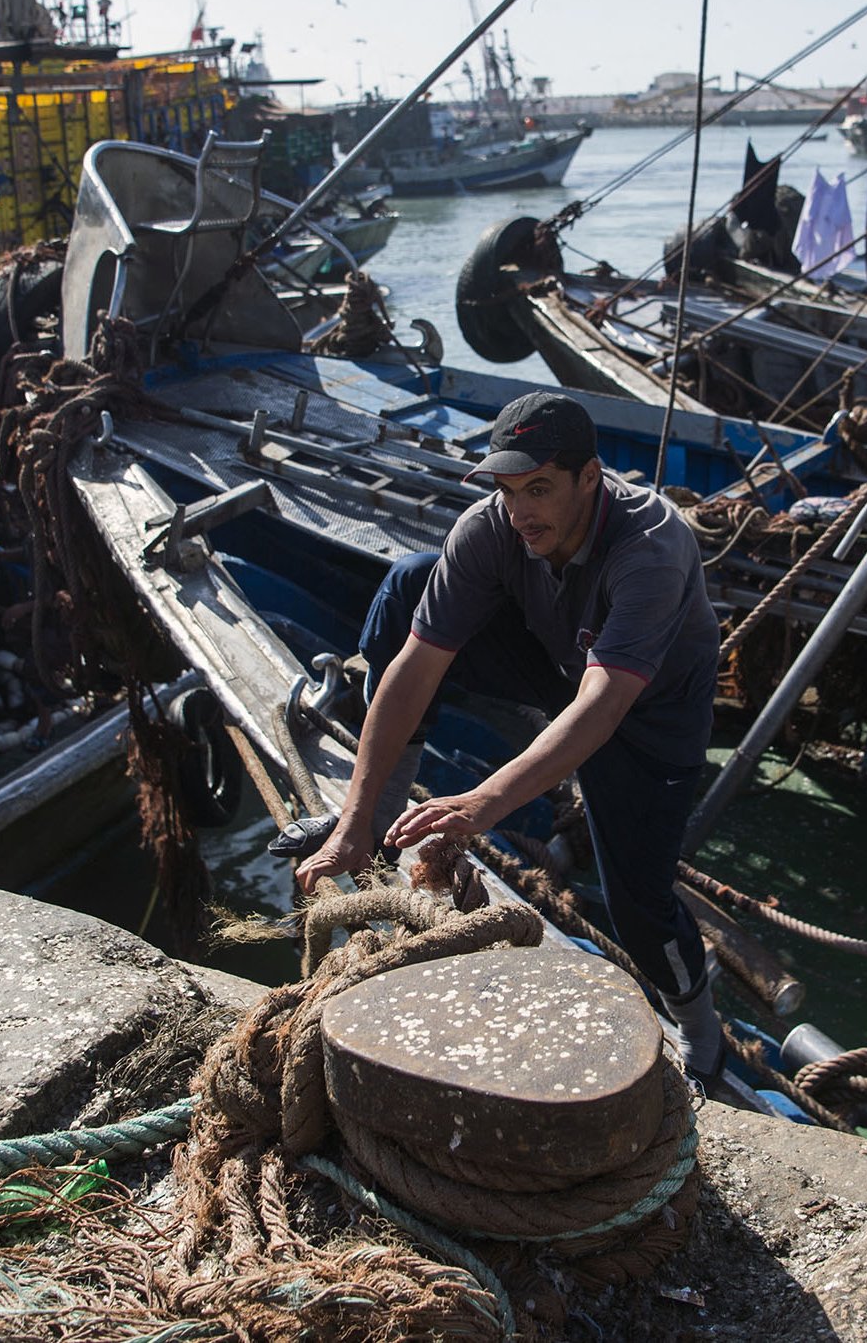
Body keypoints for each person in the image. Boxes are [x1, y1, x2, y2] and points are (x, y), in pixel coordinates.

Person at [295, 391, 726, 1084]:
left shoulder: (652, 544)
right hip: (557, 664)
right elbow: (415, 667)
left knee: (637, 905)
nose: (518, 511)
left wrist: (479, 806)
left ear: (591, 477)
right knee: (410, 582)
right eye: (505, 489)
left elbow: (606, 701)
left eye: (538, 489)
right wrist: (351, 819)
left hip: (646, 712)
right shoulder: (494, 525)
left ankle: (701, 1027)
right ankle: (376, 825)